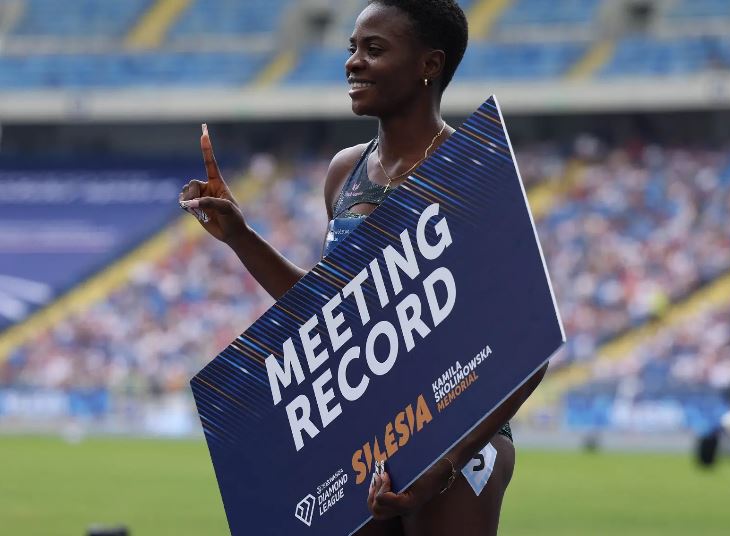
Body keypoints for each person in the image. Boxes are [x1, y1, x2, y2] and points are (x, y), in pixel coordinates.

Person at [179, 1, 548, 534]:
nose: (353, 62)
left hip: (460, 435)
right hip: (364, 436)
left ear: (430, 64)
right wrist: (239, 236)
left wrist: (440, 466)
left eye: (374, 49)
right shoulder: (345, 173)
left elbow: (529, 351)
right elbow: (330, 319)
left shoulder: (473, 174)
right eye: (352, 48)